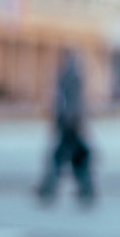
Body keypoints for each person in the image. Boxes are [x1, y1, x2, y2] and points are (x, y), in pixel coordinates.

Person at [36, 49, 96, 207]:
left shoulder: (69, 75)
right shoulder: (71, 75)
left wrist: (66, 121)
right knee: (77, 157)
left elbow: (69, 101)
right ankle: (85, 191)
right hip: (71, 123)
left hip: (69, 123)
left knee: (64, 157)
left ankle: (48, 189)